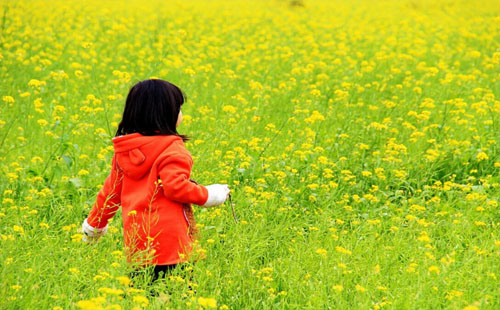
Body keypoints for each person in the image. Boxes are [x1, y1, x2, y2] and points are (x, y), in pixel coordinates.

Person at [81, 79, 230, 283]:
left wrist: (94, 226)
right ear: (168, 114)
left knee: (143, 297)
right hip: (173, 247)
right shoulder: (172, 150)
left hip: (138, 246)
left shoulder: (125, 152)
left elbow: (111, 194)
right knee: (176, 298)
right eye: (178, 108)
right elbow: (175, 187)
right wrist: (210, 195)